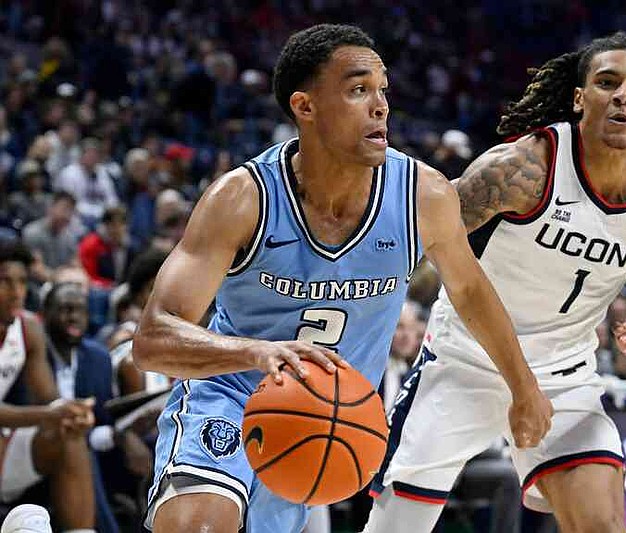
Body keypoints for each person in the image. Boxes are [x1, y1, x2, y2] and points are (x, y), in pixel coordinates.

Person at [133, 24, 552, 533]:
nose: (380, 107)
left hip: (330, 419)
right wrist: (257, 353)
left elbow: (470, 292)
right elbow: (152, 339)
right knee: (198, 525)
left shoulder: (423, 195)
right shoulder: (242, 198)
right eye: (358, 90)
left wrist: (524, 387)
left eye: (383, 90)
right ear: (305, 106)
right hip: (231, 396)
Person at [365, 31, 626, 533]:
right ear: (579, 98)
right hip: (465, 360)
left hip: (565, 375)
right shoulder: (522, 168)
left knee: (601, 525)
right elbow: (416, 237)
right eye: (607, 82)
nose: (623, 95)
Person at [0, 242, 97, 532]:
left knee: (68, 432)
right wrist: (50, 414)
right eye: (5, 282)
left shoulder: (28, 328)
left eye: (22, 282)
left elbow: (49, 399)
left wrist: (72, 413)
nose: (17, 292)